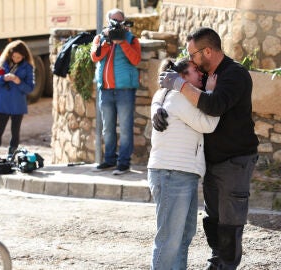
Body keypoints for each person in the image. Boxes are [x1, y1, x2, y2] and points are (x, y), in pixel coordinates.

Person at [155, 27, 260, 269]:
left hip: (235, 161)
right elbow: (178, 103)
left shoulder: (235, 75)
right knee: (212, 219)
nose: (190, 59)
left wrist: (180, 86)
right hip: (211, 162)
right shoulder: (202, 77)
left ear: (208, 51)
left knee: (230, 221)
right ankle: (216, 263)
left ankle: (225, 266)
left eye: (193, 55)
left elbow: (213, 106)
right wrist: (157, 108)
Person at [148, 58, 219, 270]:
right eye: (195, 70)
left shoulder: (169, 96)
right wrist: (211, 94)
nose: (200, 74)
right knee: (170, 239)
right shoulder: (179, 97)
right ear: (182, 77)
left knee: (183, 236)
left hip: (180, 174)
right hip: (172, 174)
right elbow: (207, 124)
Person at [90, 8, 141, 175]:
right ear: (108, 21)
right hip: (105, 89)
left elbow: (135, 60)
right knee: (108, 128)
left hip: (124, 89)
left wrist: (122, 42)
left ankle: (124, 163)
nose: (117, 24)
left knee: (125, 128)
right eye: (114, 21)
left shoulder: (131, 39)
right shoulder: (100, 37)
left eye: (119, 21)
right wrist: (106, 41)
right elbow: (95, 57)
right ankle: (109, 160)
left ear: (124, 21)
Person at [0, 40, 35, 170]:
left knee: (15, 133)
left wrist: (18, 81)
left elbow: (30, 88)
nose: (16, 59)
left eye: (19, 57)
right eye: (14, 56)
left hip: (17, 105)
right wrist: (3, 78)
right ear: (10, 54)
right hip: (2, 103)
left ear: (24, 56)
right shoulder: (1, 63)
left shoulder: (27, 67)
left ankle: (11, 159)